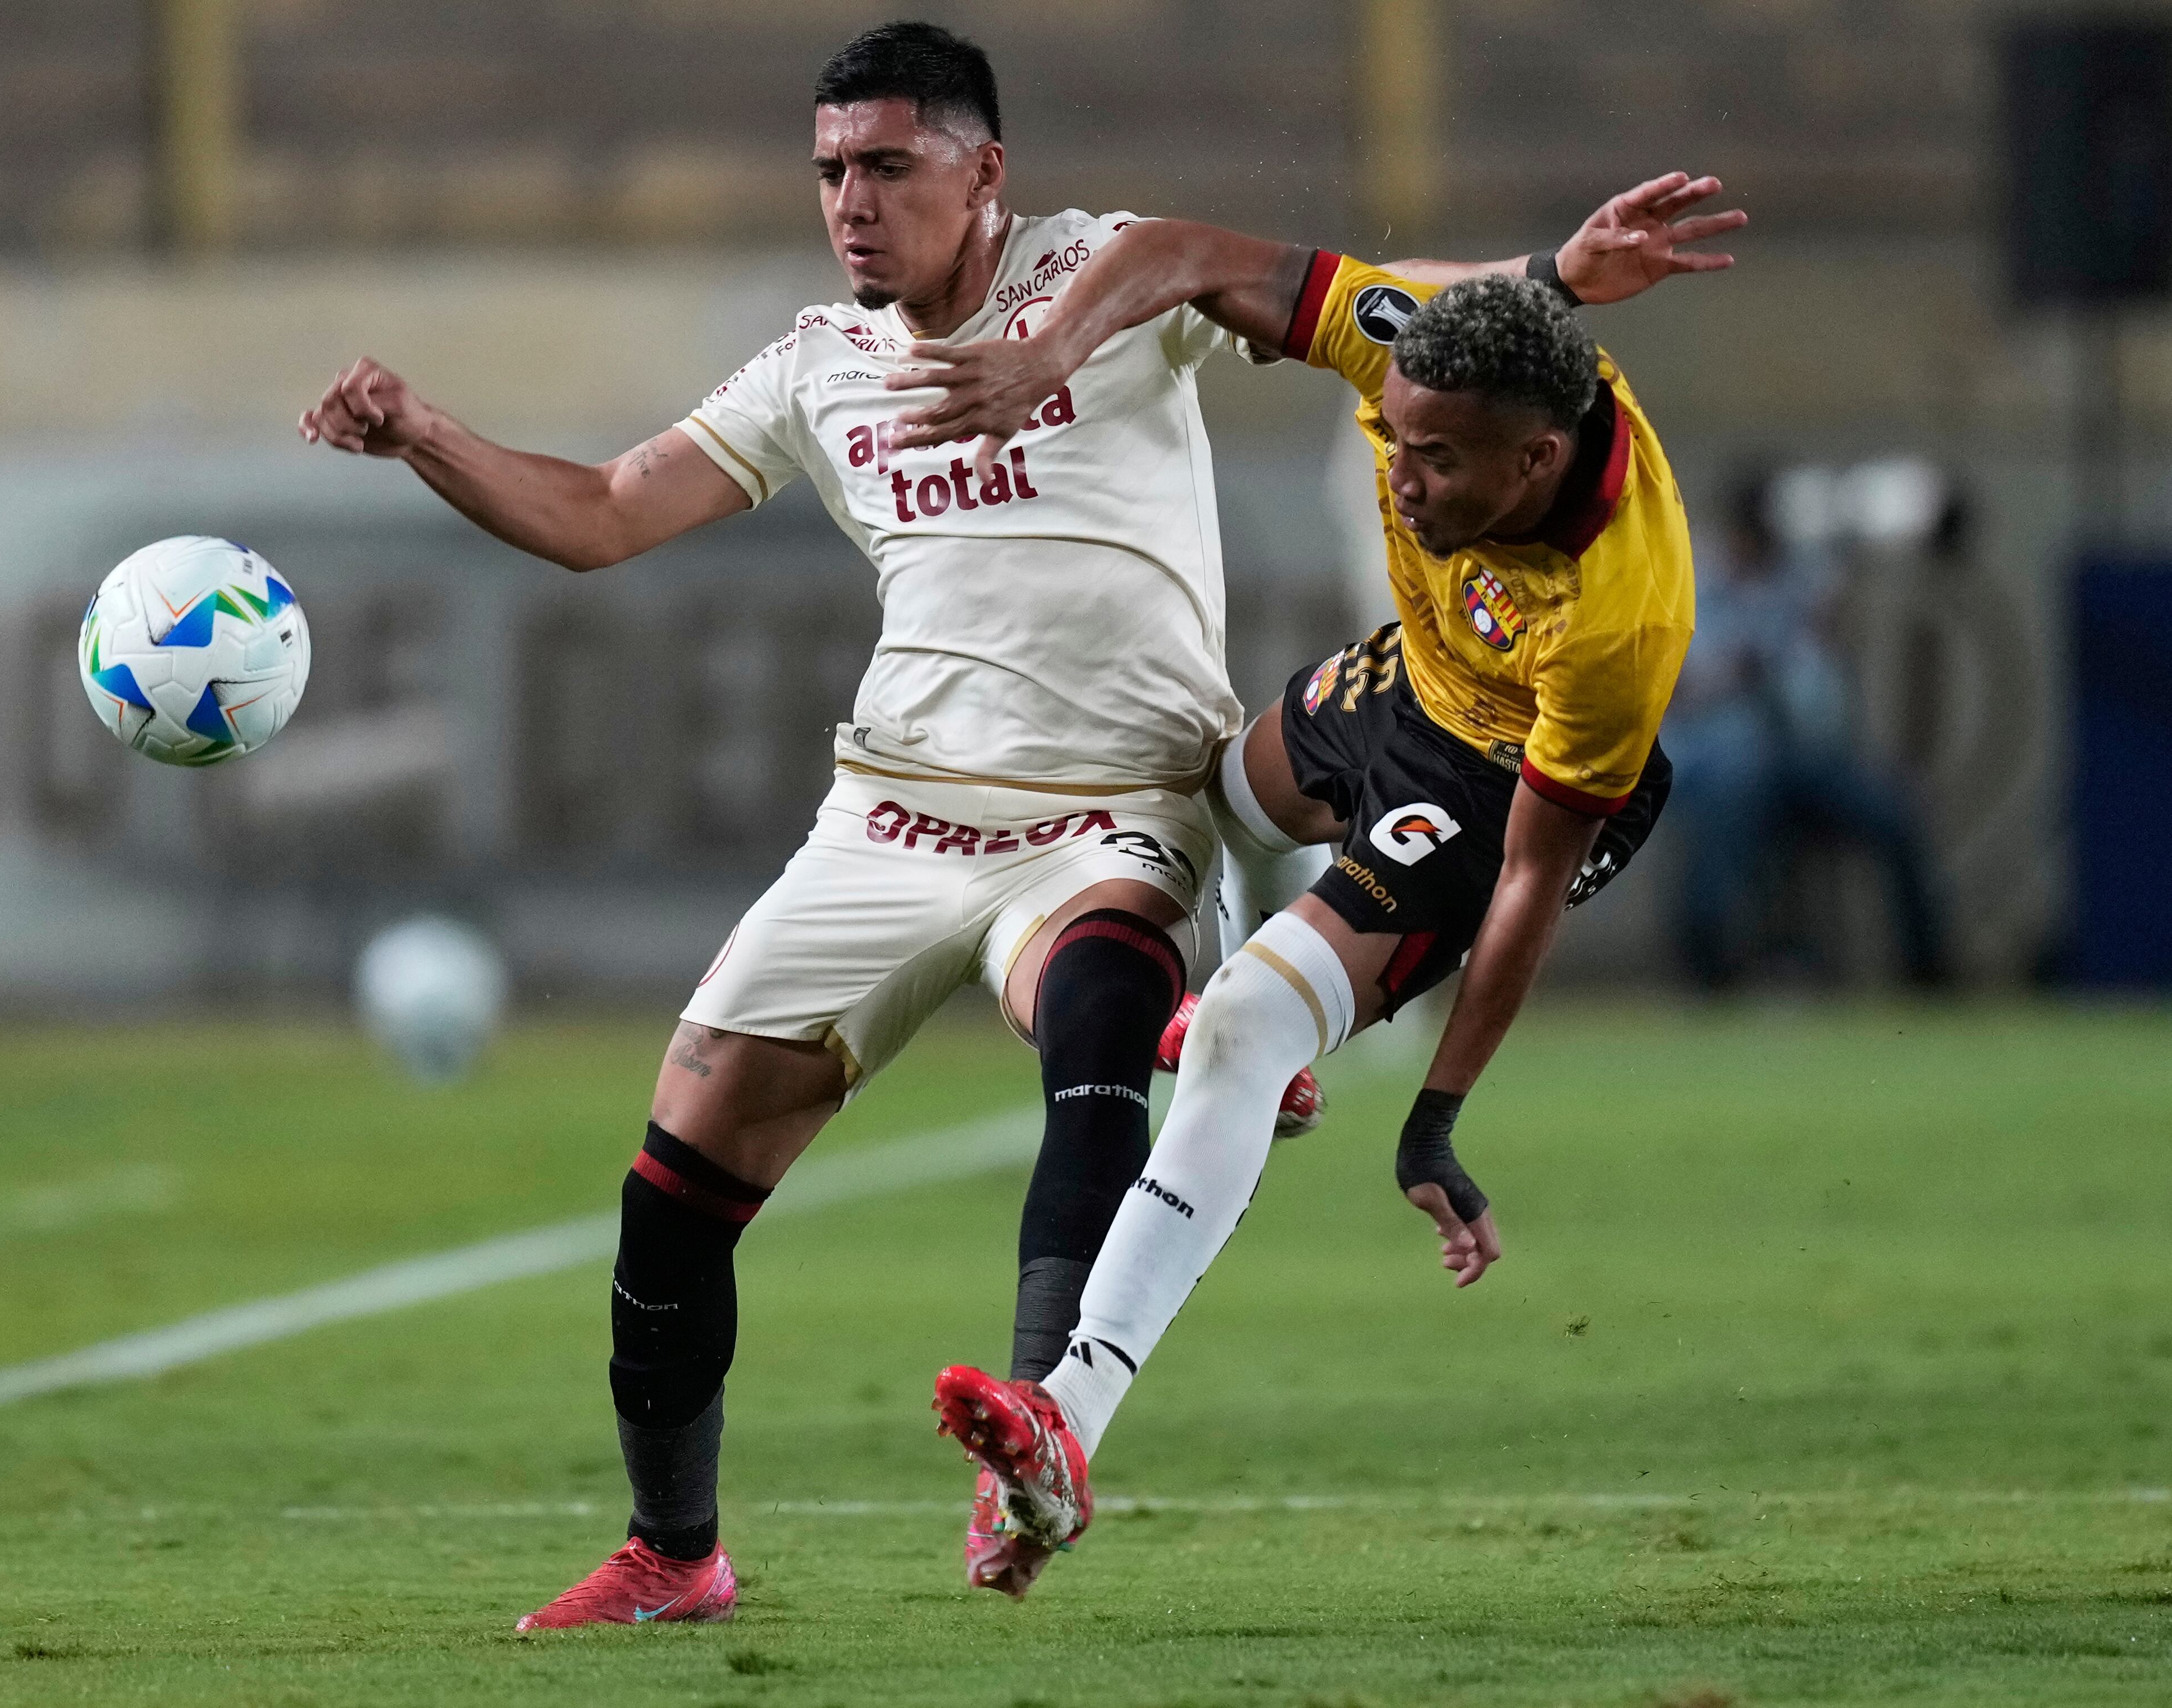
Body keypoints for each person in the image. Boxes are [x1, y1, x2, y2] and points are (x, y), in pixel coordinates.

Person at [301, 20, 1726, 1624]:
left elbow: (1300, 284)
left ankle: (1039, 1433)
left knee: (1109, 997)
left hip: (1115, 805)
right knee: (672, 1177)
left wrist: (1546, 274)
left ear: (987, 171)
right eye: (832, 170)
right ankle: (674, 1553)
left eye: (890, 167)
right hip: (889, 816)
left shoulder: (1099, 278)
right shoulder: (813, 366)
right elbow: (609, 514)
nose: (852, 201)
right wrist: (424, 435)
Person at [896, 192, 1736, 1590]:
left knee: (1233, 1025)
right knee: (1183, 794)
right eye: (1393, 439)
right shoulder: (1404, 342)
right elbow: (1178, 251)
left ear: (1534, 460)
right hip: (1412, 677)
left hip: (1499, 779)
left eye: (1438, 461)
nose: (1399, 478)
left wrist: (1437, 1117)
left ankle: (1067, 1417)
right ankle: (1262, 1057)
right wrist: (1042, 355)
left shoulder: (1617, 614)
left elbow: (1524, 880)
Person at [1660, 473, 1949, 988]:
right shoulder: (1691, 580)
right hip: (1718, 762)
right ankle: (1707, 970)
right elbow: (1672, 690)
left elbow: (1819, 662)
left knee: (1894, 816)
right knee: (1726, 819)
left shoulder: (1798, 579)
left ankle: (1928, 970)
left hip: (1802, 760)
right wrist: (1735, 672)